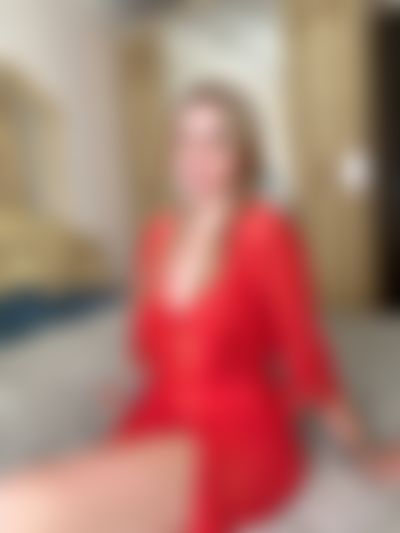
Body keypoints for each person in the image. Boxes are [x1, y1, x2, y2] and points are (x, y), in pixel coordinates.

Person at [1, 83, 399, 533]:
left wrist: (366, 452)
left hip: (238, 438)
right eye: (185, 140)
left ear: (242, 155)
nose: (197, 156)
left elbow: (308, 359)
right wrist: (137, 392)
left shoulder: (264, 231)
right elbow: (151, 347)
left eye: (215, 141)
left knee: (23, 508)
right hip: (158, 414)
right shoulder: (155, 235)